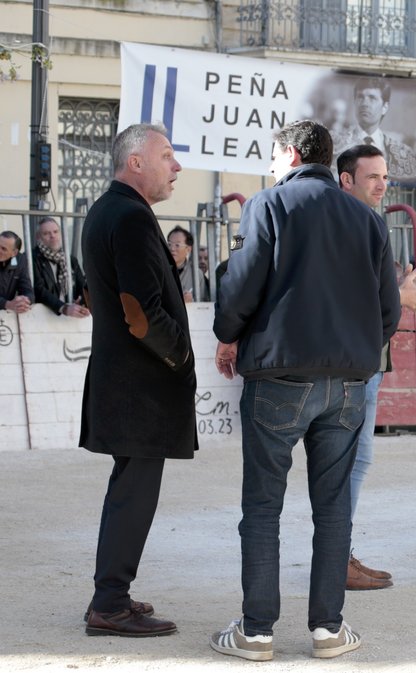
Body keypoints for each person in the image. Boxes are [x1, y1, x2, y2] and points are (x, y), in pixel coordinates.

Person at [211, 120, 402, 661]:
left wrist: (228, 333)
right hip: (346, 384)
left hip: (279, 377)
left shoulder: (269, 205)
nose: (271, 168)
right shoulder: (365, 217)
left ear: (291, 154)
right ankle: (328, 630)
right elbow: (388, 309)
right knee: (334, 508)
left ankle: (256, 632)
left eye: (273, 158)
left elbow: (242, 287)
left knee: (263, 506)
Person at [79, 122, 193, 638]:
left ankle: (112, 594)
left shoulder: (113, 209)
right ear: (136, 162)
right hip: (139, 387)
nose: (177, 166)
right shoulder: (128, 216)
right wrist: (182, 356)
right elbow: (140, 313)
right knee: (133, 494)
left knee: (129, 491)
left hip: (128, 384)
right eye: (166, 155)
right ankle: (109, 603)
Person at [335, 143, 416, 592]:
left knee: (356, 461)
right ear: (346, 179)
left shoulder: (369, 222)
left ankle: (340, 553)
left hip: (369, 360)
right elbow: (343, 296)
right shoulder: (342, 223)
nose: (382, 184)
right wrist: (400, 297)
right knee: (348, 463)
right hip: (349, 363)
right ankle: (336, 558)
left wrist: (398, 289)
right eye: (372, 176)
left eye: (384, 177)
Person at [332, 77, 416, 183]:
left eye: (372, 98)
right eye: (360, 97)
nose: (365, 103)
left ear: (385, 107)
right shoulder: (335, 144)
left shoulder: (398, 152)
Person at [32, 217, 89, 318]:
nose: (52, 236)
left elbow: (82, 286)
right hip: (41, 318)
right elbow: (38, 290)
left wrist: (82, 302)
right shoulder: (32, 259)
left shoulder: (70, 260)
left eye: (55, 232)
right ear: (38, 237)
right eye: (46, 233)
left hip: (70, 319)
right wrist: (63, 307)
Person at [166, 226, 209, 302]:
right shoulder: (160, 269)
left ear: (188, 249)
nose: (172, 248)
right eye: (169, 244)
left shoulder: (196, 274)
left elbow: (203, 304)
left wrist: (191, 300)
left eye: (177, 245)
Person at [0, 231, 33, 313]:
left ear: (14, 253)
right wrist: (7, 304)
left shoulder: (20, 260)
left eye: (3, 249)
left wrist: (24, 300)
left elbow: (27, 289)